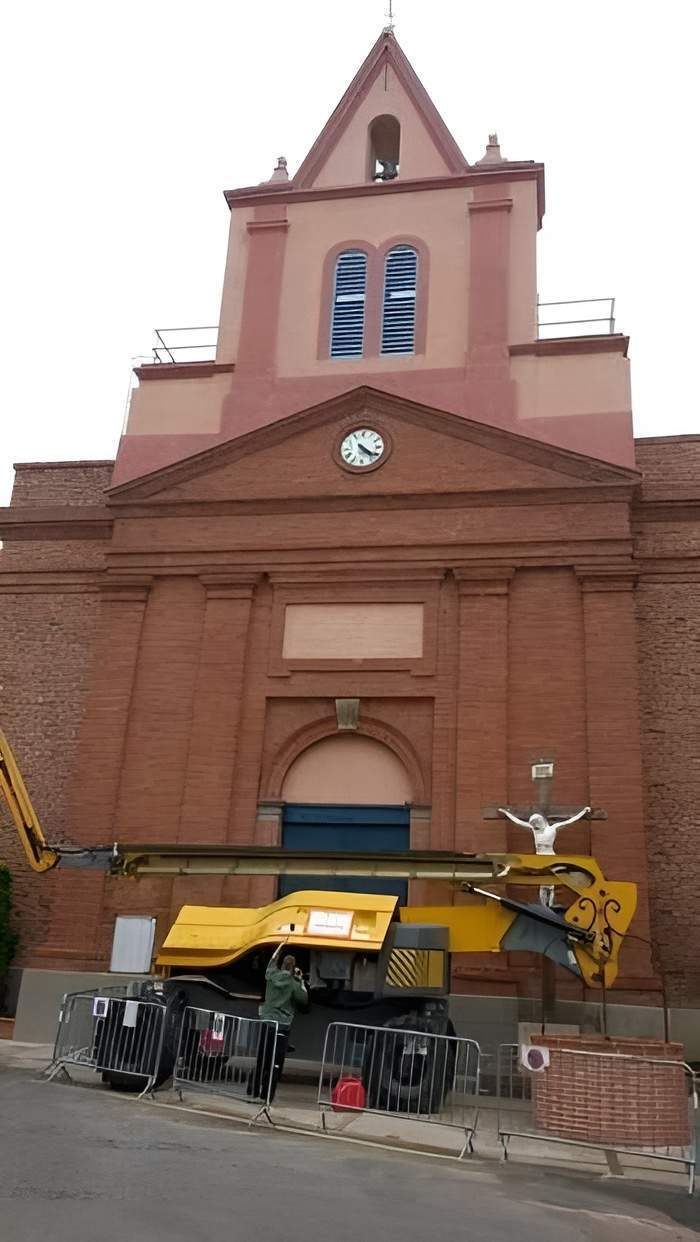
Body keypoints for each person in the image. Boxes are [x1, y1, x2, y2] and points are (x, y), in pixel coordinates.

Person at [248, 942, 307, 1103]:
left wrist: (280, 947)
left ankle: (253, 1091)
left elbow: (272, 961)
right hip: (282, 1026)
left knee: (262, 1058)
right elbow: (303, 999)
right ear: (293, 968)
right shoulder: (294, 983)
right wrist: (301, 980)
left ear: (282, 965)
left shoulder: (271, 975)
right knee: (275, 1062)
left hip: (267, 1021)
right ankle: (267, 1096)